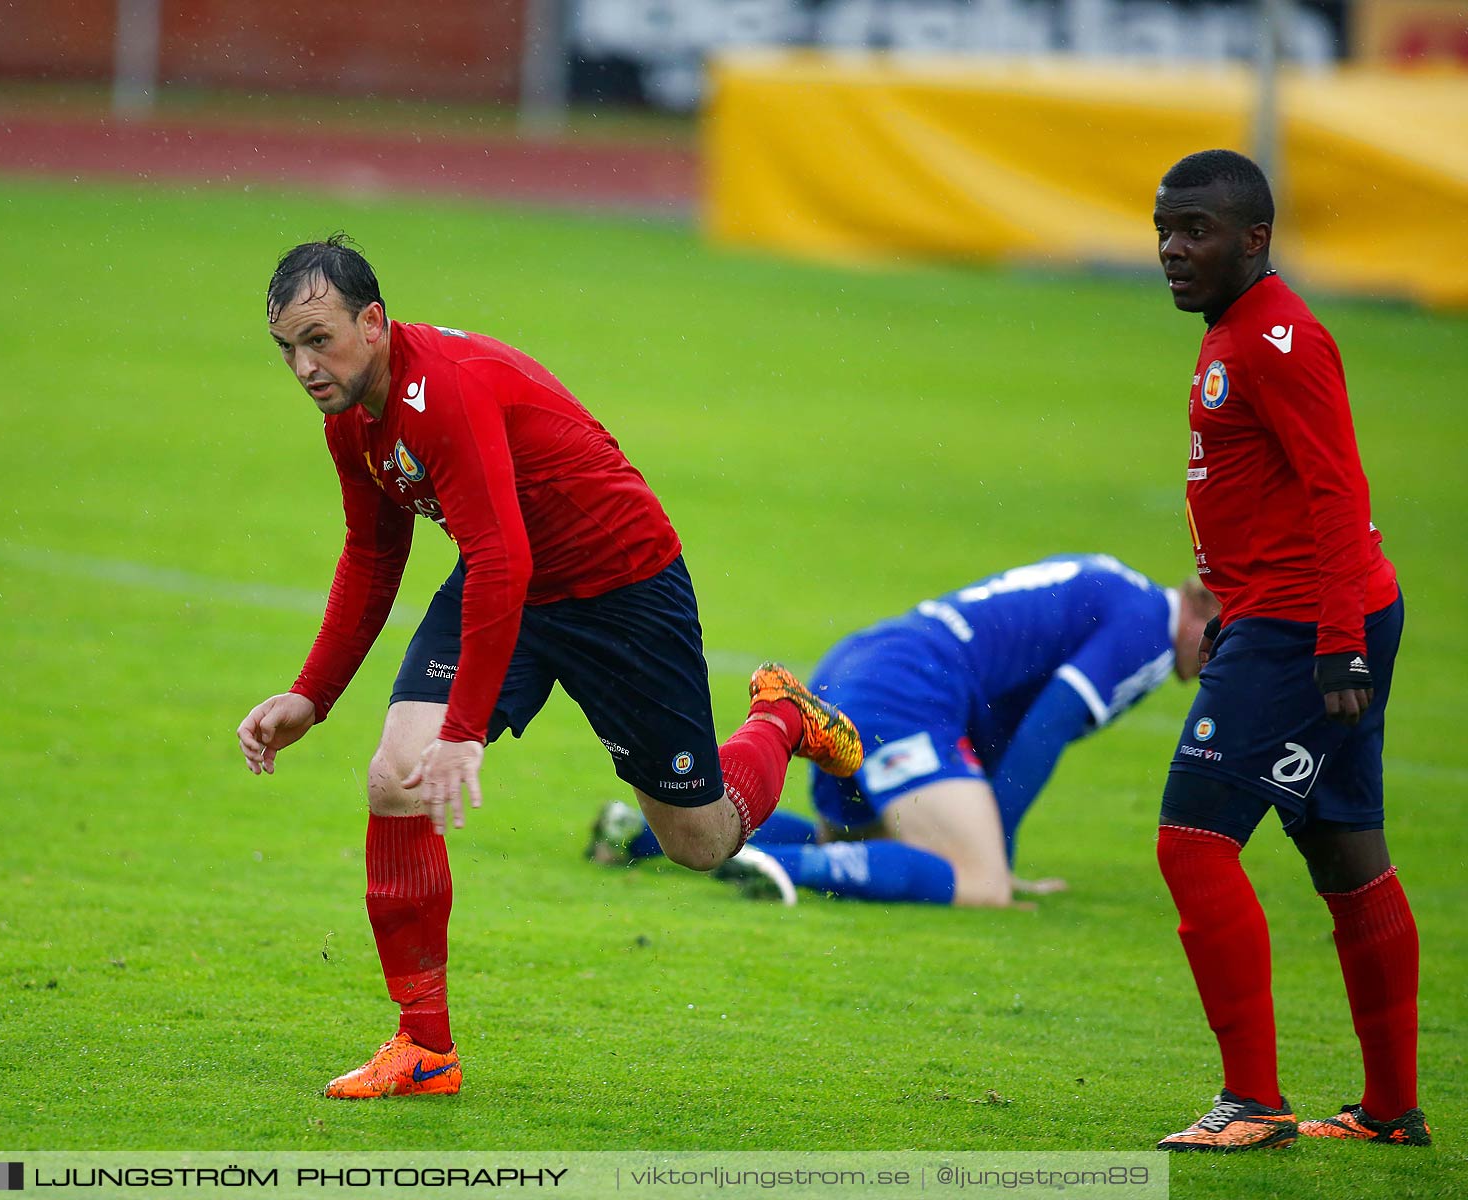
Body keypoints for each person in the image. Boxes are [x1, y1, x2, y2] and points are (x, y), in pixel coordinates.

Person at [235, 235, 863, 1099]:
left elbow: (499, 557)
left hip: (621, 584)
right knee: (395, 778)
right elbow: (374, 555)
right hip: (512, 582)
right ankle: (426, 1049)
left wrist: (466, 732)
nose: (304, 365)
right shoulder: (351, 420)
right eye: (287, 349)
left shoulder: (440, 391)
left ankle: (781, 716)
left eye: (319, 338)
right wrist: (313, 694)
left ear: (373, 322)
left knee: (701, 841)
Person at [1147, 151, 1426, 1152]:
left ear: (1253, 238)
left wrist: (1338, 645)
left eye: (1196, 232)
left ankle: (1252, 1101)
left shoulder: (1277, 339)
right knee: (1347, 856)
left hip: (1309, 625)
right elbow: (1254, 494)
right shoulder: (1234, 330)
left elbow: (1338, 493)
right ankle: (1392, 1109)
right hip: (1285, 614)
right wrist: (1226, 596)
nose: (1174, 250)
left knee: (1192, 844)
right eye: (1164, 230)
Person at [589, 554, 1218, 908]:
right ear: (1211, 606)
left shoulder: (1121, 588)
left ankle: (640, 833)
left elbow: (1010, 715)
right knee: (978, 883)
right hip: (906, 694)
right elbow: (1046, 728)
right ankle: (772, 866)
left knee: (866, 840)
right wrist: (994, 857)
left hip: (865, 666)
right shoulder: (1147, 633)